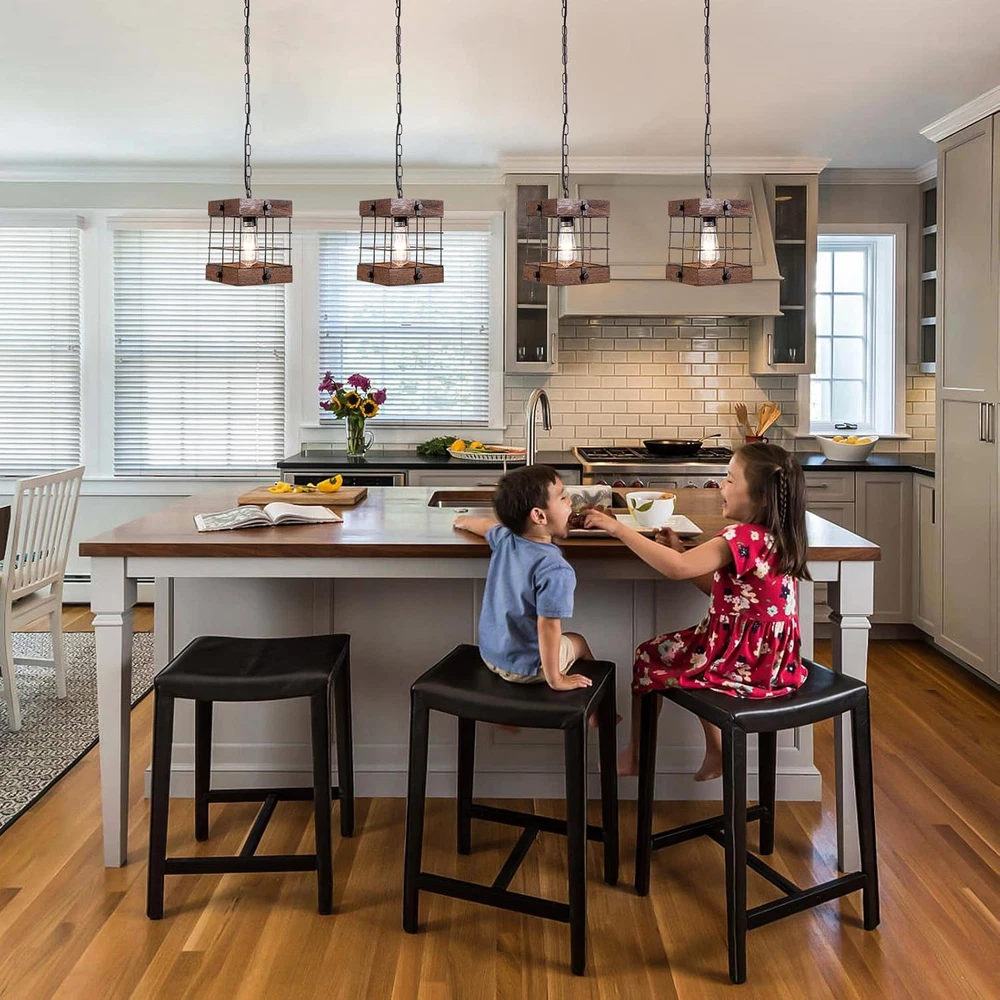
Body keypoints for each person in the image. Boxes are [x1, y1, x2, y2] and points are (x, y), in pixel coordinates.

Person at [583, 443, 810, 779]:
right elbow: (730, 596)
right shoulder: (779, 537)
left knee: (649, 655)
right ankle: (715, 751)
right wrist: (679, 550)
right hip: (774, 664)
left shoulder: (740, 536)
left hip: (737, 661)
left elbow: (677, 569)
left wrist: (618, 529)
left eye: (730, 479)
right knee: (689, 657)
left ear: (762, 497)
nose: (721, 486)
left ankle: (637, 756)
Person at [453, 464, 594, 692]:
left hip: (491, 656)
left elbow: (486, 526)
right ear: (539, 515)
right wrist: (556, 679)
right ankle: (593, 703)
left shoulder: (506, 540)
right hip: (529, 668)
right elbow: (549, 627)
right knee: (578, 641)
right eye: (562, 497)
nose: (570, 501)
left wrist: (463, 520)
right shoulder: (555, 568)